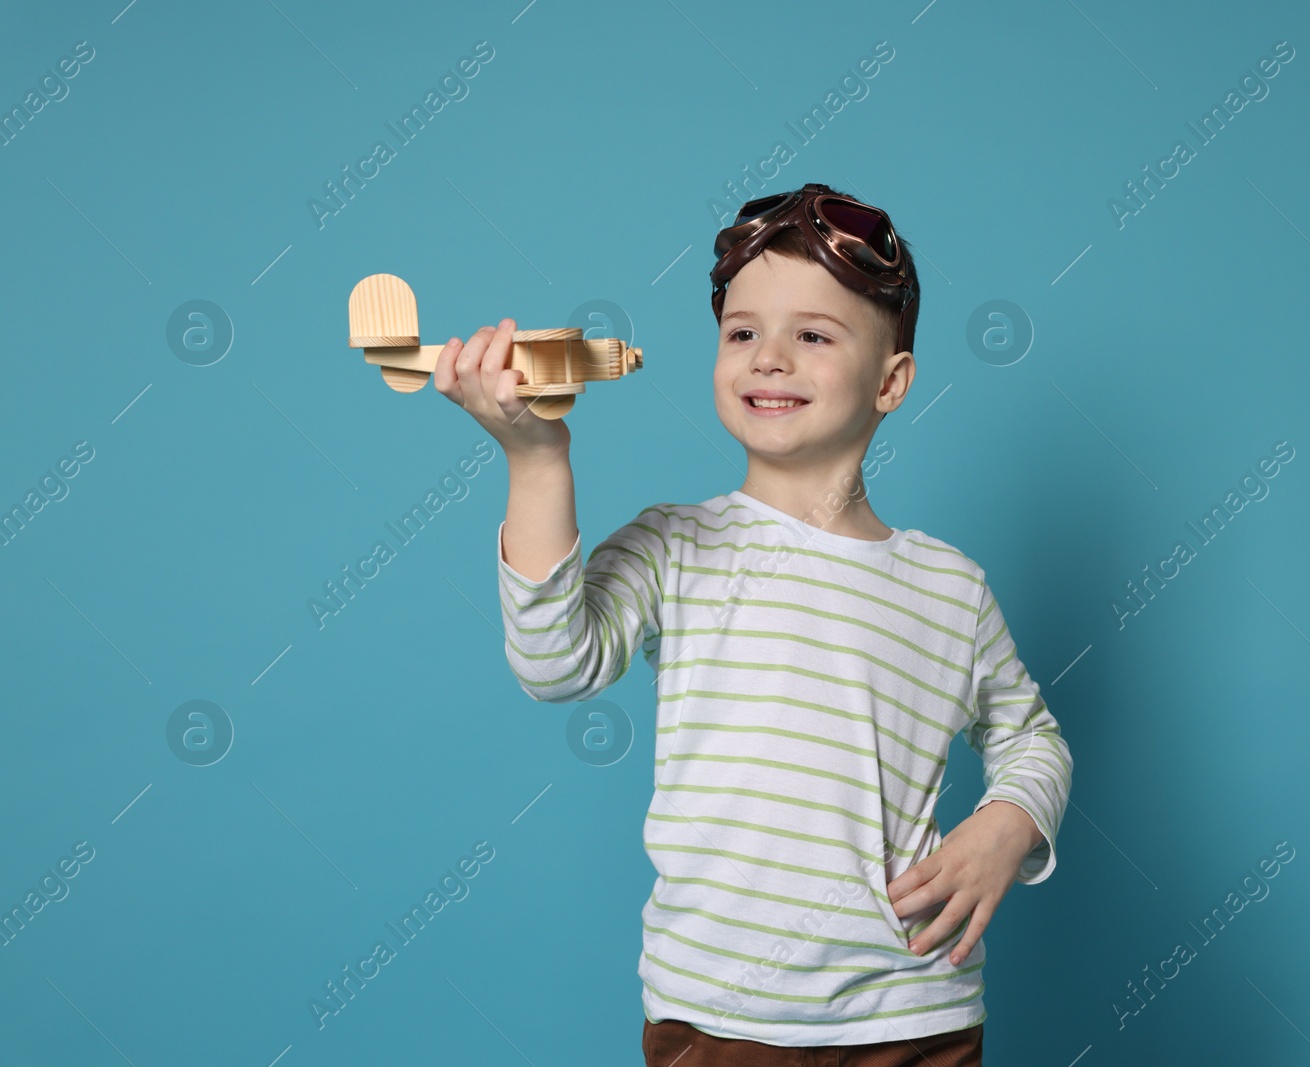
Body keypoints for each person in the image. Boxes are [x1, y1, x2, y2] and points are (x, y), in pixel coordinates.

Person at [435, 182, 1073, 1066]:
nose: (768, 357)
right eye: (742, 332)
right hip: (723, 1022)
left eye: (812, 334)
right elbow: (556, 665)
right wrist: (537, 459)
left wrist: (1006, 826)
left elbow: (1032, 737)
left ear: (891, 381)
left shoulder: (950, 587)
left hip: (916, 1016)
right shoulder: (675, 544)